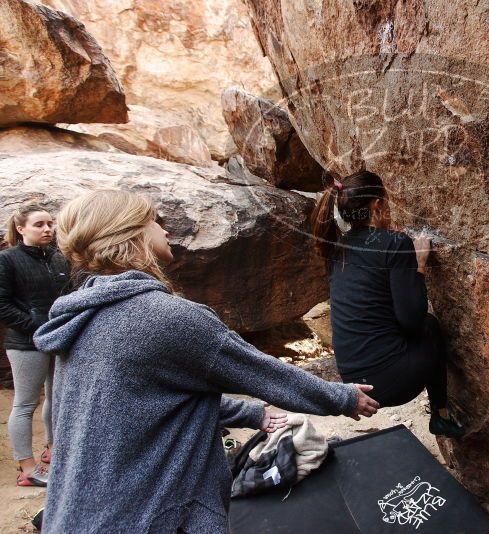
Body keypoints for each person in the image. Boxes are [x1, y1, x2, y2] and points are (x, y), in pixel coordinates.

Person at [32, 189, 379, 533]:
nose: (165, 231)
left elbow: (149, 401)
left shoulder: (85, 318)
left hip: (78, 514)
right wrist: (344, 397)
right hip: (150, 515)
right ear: (131, 233)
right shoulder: (164, 317)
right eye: (154, 221)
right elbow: (262, 372)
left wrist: (254, 414)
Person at [310, 170, 464, 439]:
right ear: (378, 205)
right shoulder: (393, 244)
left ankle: (440, 416)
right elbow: (412, 320)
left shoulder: (337, 248)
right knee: (429, 325)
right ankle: (441, 414)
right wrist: (420, 264)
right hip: (392, 383)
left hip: (355, 383)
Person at [0, 204, 70, 487]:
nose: (47, 229)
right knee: (26, 403)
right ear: (21, 228)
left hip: (58, 339)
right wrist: (39, 328)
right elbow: (2, 306)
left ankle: (53, 451)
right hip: (26, 344)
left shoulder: (58, 258)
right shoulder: (7, 259)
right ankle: (27, 469)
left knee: (57, 397)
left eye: (50, 224)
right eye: (39, 224)